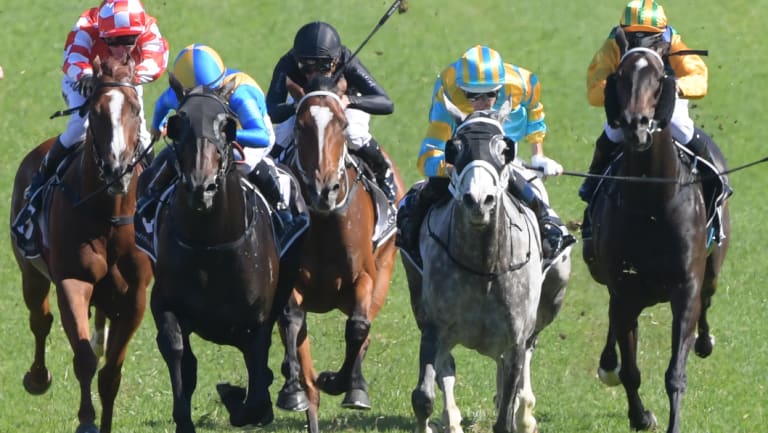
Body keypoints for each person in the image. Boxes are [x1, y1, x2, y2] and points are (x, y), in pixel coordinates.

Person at [12, 0, 168, 254]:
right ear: (102, 33)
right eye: (113, 42)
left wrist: (126, 78)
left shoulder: (148, 27)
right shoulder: (86, 25)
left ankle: (154, 194)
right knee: (80, 127)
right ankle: (37, 189)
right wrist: (86, 75)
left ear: (138, 32)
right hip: (84, 81)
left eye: (128, 40)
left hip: (125, 81)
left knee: (140, 133)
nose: (120, 48)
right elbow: (72, 58)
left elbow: (157, 61)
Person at [398, 45, 574, 263]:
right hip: (461, 148)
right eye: (473, 96)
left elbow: (535, 108)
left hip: (500, 138)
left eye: (490, 94)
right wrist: (451, 169)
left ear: (501, 89)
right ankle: (410, 229)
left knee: (508, 172)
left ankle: (548, 223)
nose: (482, 102)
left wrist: (538, 154)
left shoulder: (522, 84)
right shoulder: (448, 93)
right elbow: (427, 155)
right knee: (436, 185)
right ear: (461, 90)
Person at [581, 0, 730, 212]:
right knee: (613, 133)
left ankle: (713, 179)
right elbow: (595, 89)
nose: (640, 42)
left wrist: (676, 87)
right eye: (633, 36)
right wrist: (617, 90)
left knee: (682, 128)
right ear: (623, 32)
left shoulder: (673, 40)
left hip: (665, 96)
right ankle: (592, 184)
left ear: (662, 33)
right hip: (630, 99)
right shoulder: (613, 44)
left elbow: (698, 76)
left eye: (648, 36)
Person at [265, 21, 397, 203]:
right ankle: (270, 188)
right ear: (297, 60)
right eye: (306, 68)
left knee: (353, 133)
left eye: (324, 67)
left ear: (335, 62)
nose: (315, 75)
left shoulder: (347, 60)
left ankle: (385, 176)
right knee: (282, 136)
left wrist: (350, 101)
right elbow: (271, 109)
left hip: (344, 101)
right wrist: (299, 106)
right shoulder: (287, 63)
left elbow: (386, 103)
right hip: (304, 102)